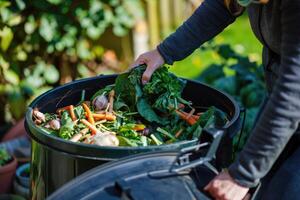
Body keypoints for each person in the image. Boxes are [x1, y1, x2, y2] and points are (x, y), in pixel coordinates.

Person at [132, 0, 300, 199]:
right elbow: (222, 6)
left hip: (291, 98)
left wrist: (241, 176)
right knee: (264, 187)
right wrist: (164, 52)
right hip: (282, 95)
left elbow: (293, 91)